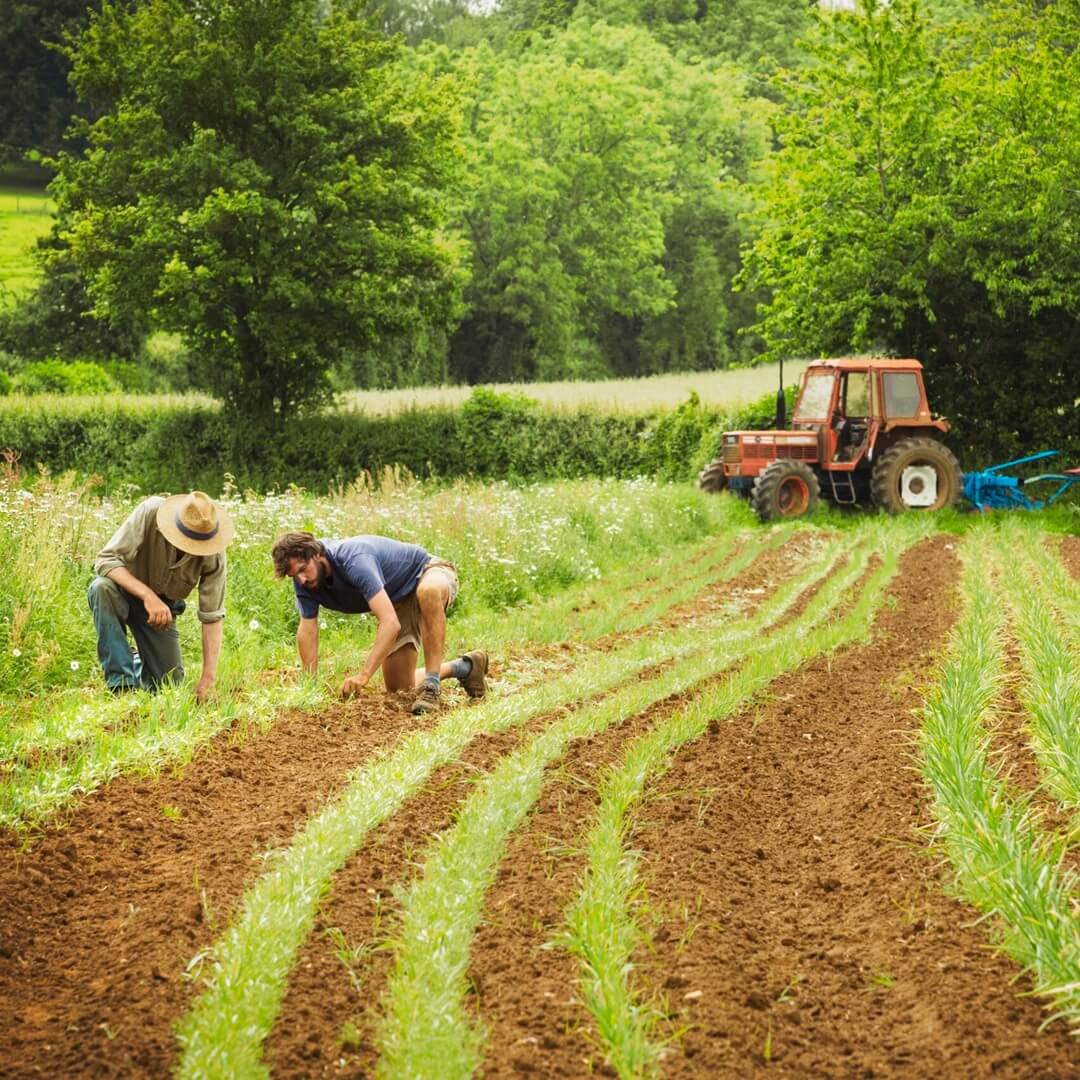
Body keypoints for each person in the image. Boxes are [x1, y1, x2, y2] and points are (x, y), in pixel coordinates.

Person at [270, 531, 488, 715]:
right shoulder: (305, 583)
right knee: (401, 689)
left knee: (428, 592)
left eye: (302, 569)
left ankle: (432, 685)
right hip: (396, 599)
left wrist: (364, 675)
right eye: (294, 576)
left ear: (316, 554)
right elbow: (308, 630)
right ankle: (465, 667)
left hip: (428, 572)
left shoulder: (354, 559)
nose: (301, 579)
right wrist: (310, 686)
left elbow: (389, 623)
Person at [88, 491, 234, 700]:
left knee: (168, 686)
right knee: (101, 588)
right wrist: (148, 596)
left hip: (161, 612)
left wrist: (208, 679)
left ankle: (139, 661)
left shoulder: (215, 553)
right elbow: (105, 560)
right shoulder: (150, 512)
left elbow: (212, 616)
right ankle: (121, 685)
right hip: (123, 592)